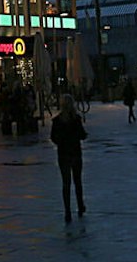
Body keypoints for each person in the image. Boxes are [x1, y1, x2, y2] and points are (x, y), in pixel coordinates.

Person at [50, 94, 89, 222]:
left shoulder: (57, 121)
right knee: (77, 181)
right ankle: (80, 205)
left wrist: (61, 142)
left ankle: (67, 210)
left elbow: (53, 137)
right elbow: (82, 135)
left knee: (66, 183)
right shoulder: (76, 119)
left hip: (63, 154)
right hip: (75, 153)